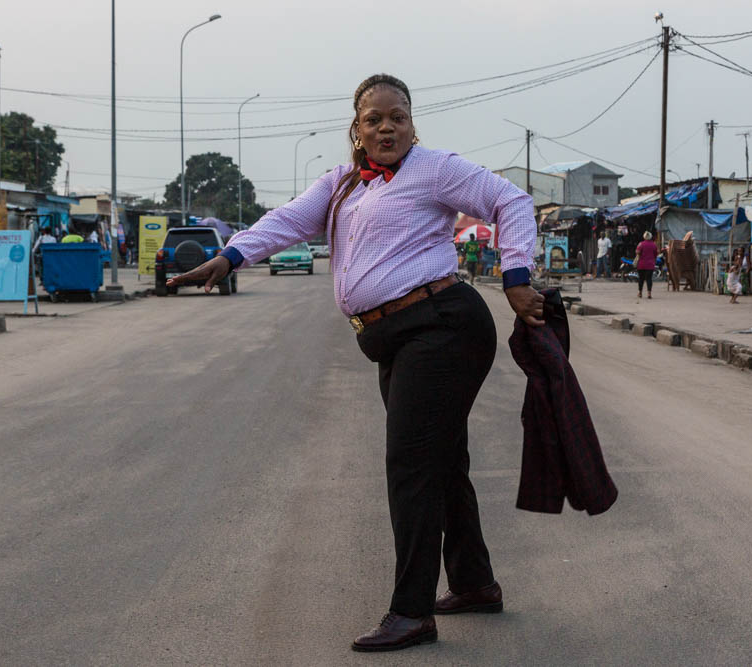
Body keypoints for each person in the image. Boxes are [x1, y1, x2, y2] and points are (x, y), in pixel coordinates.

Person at [167, 73, 542, 653]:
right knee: (440, 462)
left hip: (441, 327)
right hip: (395, 337)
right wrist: (229, 255)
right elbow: (289, 219)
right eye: (375, 119)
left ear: (413, 123)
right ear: (358, 128)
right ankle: (474, 584)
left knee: (411, 466)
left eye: (399, 116)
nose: (387, 127)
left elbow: (509, 200)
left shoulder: (436, 168)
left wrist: (516, 275)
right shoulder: (342, 183)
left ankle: (412, 612)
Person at [635, 231, 658, 299]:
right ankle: (649, 293)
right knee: (649, 279)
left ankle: (640, 293)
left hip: (641, 264)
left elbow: (637, 252)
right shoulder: (654, 245)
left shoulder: (641, 244)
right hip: (650, 265)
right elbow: (655, 254)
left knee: (641, 279)